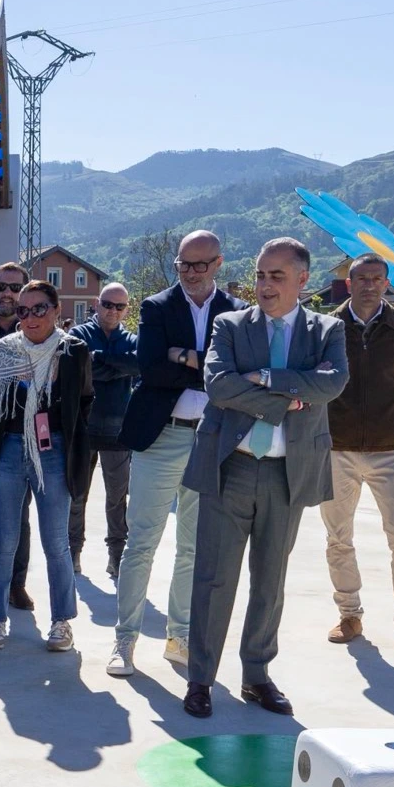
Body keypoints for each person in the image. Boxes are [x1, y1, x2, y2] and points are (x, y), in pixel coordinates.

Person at [181, 239, 348, 718]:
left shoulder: (327, 331)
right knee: (213, 580)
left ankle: (256, 676)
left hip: (287, 474)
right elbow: (218, 385)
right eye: (260, 275)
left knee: (269, 581)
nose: (265, 285)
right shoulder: (229, 325)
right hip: (228, 468)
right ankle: (200, 679)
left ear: (302, 281)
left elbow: (333, 382)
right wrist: (294, 393)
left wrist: (266, 379)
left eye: (277, 276)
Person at [108, 231, 247, 677]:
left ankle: (179, 636)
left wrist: (186, 357)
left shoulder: (238, 312)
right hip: (162, 436)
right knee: (141, 542)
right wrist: (208, 366)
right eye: (183, 264)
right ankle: (124, 639)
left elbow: (235, 376)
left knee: (192, 547)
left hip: (211, 439)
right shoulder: (156, 307)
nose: (189, 272)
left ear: (218, 264)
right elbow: (150, 367)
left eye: (199, 265)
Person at [320, 254, 394, 655]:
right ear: (348, 284)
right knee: (338, 538)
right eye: (361, 278)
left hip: (392, 450)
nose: (369, 284)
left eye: (377, 278)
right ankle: (349, 614)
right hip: (337, 449)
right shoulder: (327, 327)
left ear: (387, 284)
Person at [0, 280, 94, 652]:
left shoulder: (73, 352)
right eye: (23, 311)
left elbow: (84, 403)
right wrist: (20, 384)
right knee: (4, 540)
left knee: (56, 542)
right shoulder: (4, 351)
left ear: (57, 310)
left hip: (53, 448)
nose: (29, 317)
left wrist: (52, 393)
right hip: (11, 448)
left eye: (39, 309)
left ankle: (62, 622)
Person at [0, 261, 38, 613]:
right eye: (2, 286)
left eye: (16, 288)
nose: (8, 294)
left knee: (19, 515)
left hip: (19, 436)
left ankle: (16, 583)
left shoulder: (34, 332)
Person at [68, 282, 137, 578]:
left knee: (117, 499)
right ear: (96, 303)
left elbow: (139, 365)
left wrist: (100, 360)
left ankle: (116, 556)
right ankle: (73, 553)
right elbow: (79, 364)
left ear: (127, 309)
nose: (113, 311)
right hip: (83, 428)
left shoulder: (133, 339)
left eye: (119, 306)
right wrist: (118, 367)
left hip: (119, 431)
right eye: (108, 304)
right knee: (77, 495)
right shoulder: (79, 334)